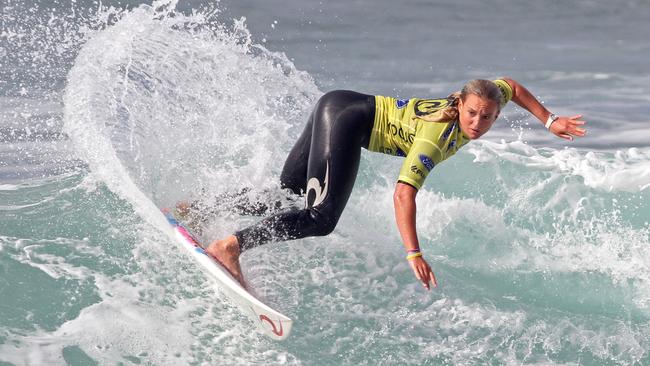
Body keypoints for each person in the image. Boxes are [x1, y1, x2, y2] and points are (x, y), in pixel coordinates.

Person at [201, 78, 586, 290]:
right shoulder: (437, 138)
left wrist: (550, 122)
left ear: (495, 113)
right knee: (321, 218)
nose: (477, 124)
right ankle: (230, 246)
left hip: (337, 102)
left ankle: (196, 206)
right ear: (462, 105)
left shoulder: (487, 95)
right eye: (471, 114)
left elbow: (513, 87)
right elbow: (404, 194)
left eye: (486, 118)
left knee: (287, 194)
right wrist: (414, 253)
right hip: (347, 122)